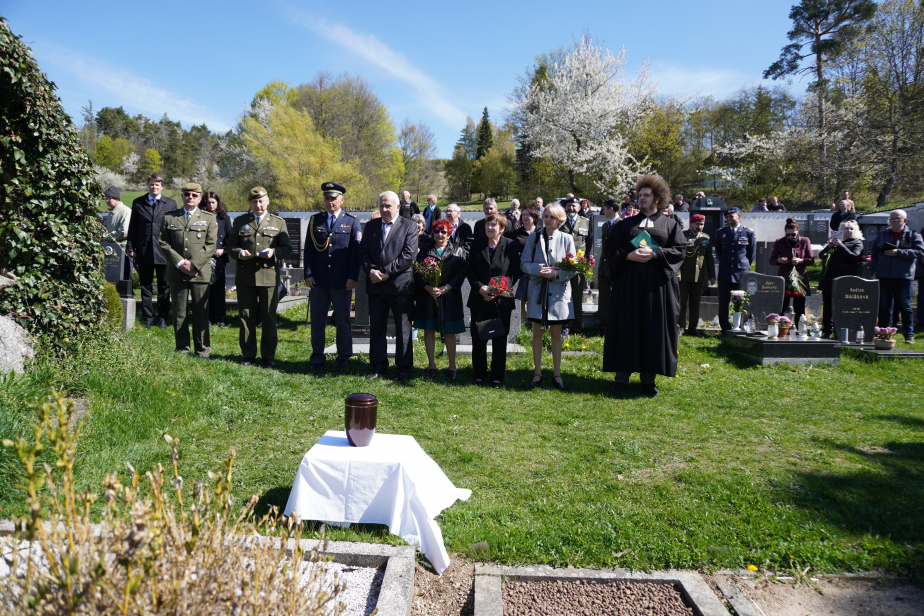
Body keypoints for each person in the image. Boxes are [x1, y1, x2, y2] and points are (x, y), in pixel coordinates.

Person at [603, 175, 686, 398]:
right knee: (626, 327)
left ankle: (648, 380)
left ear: (657, 198)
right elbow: (610, 250)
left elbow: (680, 250)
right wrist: (628, 256)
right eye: (639, 195)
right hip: (628, 288)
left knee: (653, 329)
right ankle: (621, 378)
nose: (641, 198)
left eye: (646, 195)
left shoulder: (670, 225)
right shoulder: (624, 225)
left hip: (657, 289)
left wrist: (656, 252)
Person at [226, 187, 292, 367]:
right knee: (246, 316)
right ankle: (248, 355)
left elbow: (287, 248)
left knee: (268, 317)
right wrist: (239, 253)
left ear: (268, 201)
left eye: (261, 200)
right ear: (249, 203)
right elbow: (230, 245)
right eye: (254, 201)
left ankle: (268, 356)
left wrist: (273, 251)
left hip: (268, 275)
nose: (258, 204)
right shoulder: (240, 222)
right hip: (245, 276)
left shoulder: (278, 222)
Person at [360, 191, 418, 381]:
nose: (384, 209)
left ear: (398, 207)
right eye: (382, 205)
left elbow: (408, 255)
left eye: (388, 206)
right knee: (377, 327)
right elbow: (364, 253)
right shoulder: (370, 227)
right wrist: (370, 271)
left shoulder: (409, 226)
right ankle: (378, 366)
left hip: (400, 287)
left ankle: (403, 369)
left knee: (403, 329)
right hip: (376, 286)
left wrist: (385, 272)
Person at [304, 181, 360, 373]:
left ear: (342, 200)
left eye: (333, 199)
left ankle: (344, 357)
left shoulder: (352, 221)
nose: (330, 202)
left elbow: (355, 253)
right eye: (327, 199)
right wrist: (308, 274)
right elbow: (309, 251)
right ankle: (317, 357)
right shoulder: (315, 220)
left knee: (343, 321)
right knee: (317, 321)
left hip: (342, 281)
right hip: (319, 280)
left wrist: (353, 277)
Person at [156, 182, 217, 358]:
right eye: (187, 194)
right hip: (177, 272)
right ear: (182, 196)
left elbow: (211, 245)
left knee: (201, 312)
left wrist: (194, 264)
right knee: (179, 313)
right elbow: (163, 243)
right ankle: (182, 349)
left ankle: (202, 350)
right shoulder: (170, 217)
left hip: (200, 272)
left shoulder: (209, 218)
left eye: (194, 195)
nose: (190, 197)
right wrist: (181, 263)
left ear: (199, 198)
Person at [521, 204, 576, 391]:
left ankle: (557, 373)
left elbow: (574, 268)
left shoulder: (567, 238)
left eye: (551, 216)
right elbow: (524, 263)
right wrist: (539, 270)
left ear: (560, 219)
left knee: (556, 335)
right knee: (537, 333)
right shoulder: (534, 237)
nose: (547, 219)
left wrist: (557, 274)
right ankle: (537, 372)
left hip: (559, 294)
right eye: (545, 216)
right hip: (538, 292)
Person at [467, 214, 520, 387]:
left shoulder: (511, 245)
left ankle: (497, 376)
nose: (489, 227)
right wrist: (480, 288)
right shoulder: (476, 244)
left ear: (502, 228)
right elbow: (470, 271)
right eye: (488, 224)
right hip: (479, 299)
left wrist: (498, 290)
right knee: (478, 339)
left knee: (499, 340)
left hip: (501, 301)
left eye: (493, 225)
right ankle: (479, 374)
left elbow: (514, 272)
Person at [413, 218, 467, 381]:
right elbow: (417, 271)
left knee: (450, 333)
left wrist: (446, 288)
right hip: (428, 297)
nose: (440, 234)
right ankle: (431, 365)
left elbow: (461, 273)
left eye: (443, 231)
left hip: (449, 297)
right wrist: (428, 287)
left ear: (449, 233)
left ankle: (452, 366)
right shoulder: (425, 250)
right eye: (436, 231)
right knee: (429, 331)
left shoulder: (459, 250)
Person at [126, 174, 175, 328]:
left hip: (163, 251)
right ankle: (148, 318)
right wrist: (130, 247)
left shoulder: (170, 204)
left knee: (164, 287)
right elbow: (133, 227)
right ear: (148, 185)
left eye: (157, 184)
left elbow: (174, 230)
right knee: (145, 286)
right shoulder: (138, 203)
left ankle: (162, 317)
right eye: (152, 184)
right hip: (144, 249)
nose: (154, 187)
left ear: (162, 187)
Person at [871, 209, 924, 344]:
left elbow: (919, 252)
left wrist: (898, 252)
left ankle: (908, 334)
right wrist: (877, 267)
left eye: (897, 219)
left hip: (903, 276)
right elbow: (875, 253)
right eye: (892, 219)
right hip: (884, 276)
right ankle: (883, 334)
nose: (894, 221)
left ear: (905, 220)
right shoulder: (883, 235)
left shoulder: (913, 234)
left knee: (905, 306)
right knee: (884, 306)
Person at [818, 220, 864, 338]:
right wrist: (829, 246)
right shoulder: (836, 242)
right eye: (846, 229)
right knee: (827, 306)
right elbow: (821, 256)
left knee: (843, 306)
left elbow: (853, 257)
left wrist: (840, 245)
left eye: (851, 229)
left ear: (855, 231)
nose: (848, 231)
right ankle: (827, 330)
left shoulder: (857, 243)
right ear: (841, 231)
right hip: (830, 280)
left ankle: (842, 331)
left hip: (845, 280)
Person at [714, 207, 757, 331]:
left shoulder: (748, 232)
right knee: (723, 302)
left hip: (741, 273)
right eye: (726, 217)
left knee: (742, 302)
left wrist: (743, 265)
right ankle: (725, 328)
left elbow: (751, 254)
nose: (728, 219)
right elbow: (718, 253)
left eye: (731, 217)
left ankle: (743, 326)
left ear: (739, 216)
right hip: (725, 272)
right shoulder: (720, 232)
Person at [770, 219, 815, 322]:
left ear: (798, 232)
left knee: (799, 307)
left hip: (799, 277)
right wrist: (779, 260)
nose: (790, 237)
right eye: (788, 235)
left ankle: (799, 329)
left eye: (793, 234)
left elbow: (811, 260)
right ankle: (781, 327)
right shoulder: (779, 241)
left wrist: (801, 261)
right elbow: (771, 260)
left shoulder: (805, 240)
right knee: (783, 305)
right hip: (784, 276)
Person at [679, 213, 716, 337]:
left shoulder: (706, 237)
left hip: (699, 275)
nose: (700, 226)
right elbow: (678, 256)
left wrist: (712, 275)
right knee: (682, 302)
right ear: (691, 223)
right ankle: (680, 328)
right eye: (697, 224)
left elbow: (709, 258)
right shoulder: (683, 235)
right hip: (684, 275)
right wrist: (677, 272)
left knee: (696, 303)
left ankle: (693, 329)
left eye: (702, 224)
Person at [202, 191, 232, 327]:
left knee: (219, 289)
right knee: (206, 289)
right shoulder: (201, 217)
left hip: (220, 259)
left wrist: (224, 249)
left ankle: (221, 317)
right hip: (204, 258)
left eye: (213, 202)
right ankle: (208, 317)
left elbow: (230, 238)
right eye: (208, 202)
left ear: (218, 203)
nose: (211, 205)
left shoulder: (224, 218)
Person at [561, 196, 590, 335]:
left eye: (574, 206)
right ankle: (562, 325)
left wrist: (586, 261)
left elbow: (588, 243)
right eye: (569, 205)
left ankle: (577, 326)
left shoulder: (586, 222)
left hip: (579, 265)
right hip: (563, 265)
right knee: (562, 296)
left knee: (577, 296)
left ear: (579, 207)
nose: (571, 208)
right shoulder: (560, 221)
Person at [597, 197, 621, 336]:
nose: (603, 210)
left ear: (611, 209)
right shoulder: (605, 225)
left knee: (617, 299)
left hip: (616, 269)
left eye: (604, 208)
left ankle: (616, 326)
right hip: (604, 268)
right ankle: (603, 326)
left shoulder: (623, 224)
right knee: (603, 299)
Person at [102, 185, 132, 280]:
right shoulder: (111, 213)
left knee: (124, 276)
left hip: (123, 249)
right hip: (112, 249)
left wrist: (106, 237)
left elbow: (124, 232)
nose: (107, 201)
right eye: (106, 199)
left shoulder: (125, 211)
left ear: (117, 198)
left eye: (109, 198)